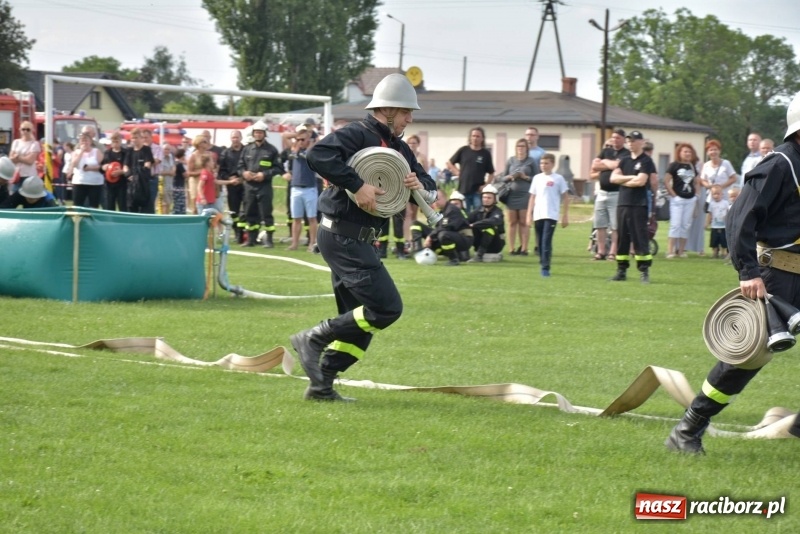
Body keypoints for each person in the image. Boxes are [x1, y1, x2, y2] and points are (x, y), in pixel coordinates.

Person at [665, 91, 800, 454]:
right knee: (747, 357)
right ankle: (688, 429)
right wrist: (748, 272)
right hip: (776, 277)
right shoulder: (778, 165)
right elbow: (740, 217)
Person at [289, 73, 435, 401]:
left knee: (361, 325)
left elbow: (427, 181)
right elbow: (318, 156)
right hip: (342, 235)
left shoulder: (399, 149)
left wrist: (421, 188)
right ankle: (312, 338)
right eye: (406, 112)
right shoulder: (356, 134)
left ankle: (321, 384)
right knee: (386, 308)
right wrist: (358, 185)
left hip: (360, 239)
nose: (410, 119)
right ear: (387, 110)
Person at [609, 131, 656, 284]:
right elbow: (613, 178)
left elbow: (641, 181)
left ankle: (644, 271)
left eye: (634, 140)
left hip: (638, 204)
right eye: (629, 140)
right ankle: (621, 270)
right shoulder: (624, 160)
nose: (631, 143)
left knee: (639, 237)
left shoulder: (646, 161)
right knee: (622, 237)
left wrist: (624, 180)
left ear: (641, 142)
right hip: (623, 203)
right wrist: (630, 178)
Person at [238, 120, 283, 248]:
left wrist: (264, 174)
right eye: (256, 132)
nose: (258, 135)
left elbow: (278, 168)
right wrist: (244, 173)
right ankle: (251, 239)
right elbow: (240, 166)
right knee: (249, 212)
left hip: (264, 186)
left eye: (260, 132)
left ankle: (269, 240)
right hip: (249, 186)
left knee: (266, 213)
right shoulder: (247, 149)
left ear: (265, 134)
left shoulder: (272, 150)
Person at [590, 128, 629, 261]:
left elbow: (620, 166)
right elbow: (595, 165)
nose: (614, 140)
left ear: (624, 139)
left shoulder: (626, 153)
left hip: (616, 193)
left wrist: (605, 163)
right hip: (601, 193)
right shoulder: (606, 151)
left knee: (615, 225)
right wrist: (609, 164)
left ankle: (613, 251)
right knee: (600, 224)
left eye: (617, 138)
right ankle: (601, 251)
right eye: (613, 138)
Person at [527, 153, 569, 277]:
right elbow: (532, 197)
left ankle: (545, 267)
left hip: (551, 214)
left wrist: (565, 215)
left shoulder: (558, 178)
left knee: (546, 240)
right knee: (539, 241)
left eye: (546, 163)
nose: (543, 166)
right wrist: (529, 214)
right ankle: (543, 259)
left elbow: (565, 197)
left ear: (552, 164)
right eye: (541, 163)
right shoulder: (537, 178)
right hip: (538, 214)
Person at [282, 128, 318, 252]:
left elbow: (316, 142)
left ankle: (312, 243)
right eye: (298, 139)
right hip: (295, 188)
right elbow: (284, 136)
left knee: (312, 218)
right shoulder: (294, 149)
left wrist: (311, 138)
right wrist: (296, 134)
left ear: (308, 139)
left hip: (309, 188)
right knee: (296, 218)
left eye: (302, 139)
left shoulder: (312, 150)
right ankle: (294, 244)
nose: (299, 141)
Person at [414, 189, 472, 265]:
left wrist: (430, 237)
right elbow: (438, 228)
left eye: (437, 199)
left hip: (464, 239)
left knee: (443, 235)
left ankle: (454, 259)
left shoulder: (452, 210)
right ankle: (418, 250)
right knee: (416, 224)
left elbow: (446, 227)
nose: (435, 202)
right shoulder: (443, 211)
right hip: (451, 235)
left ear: (445, 198)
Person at [499, 138, 536, 256]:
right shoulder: (510, 160)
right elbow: (502, 178)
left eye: (523, 146)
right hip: (511, 194)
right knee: (512, 222)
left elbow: (537, 178)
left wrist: (525, 177)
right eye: (518, 146)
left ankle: (524, 248)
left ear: (527, 148)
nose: (520, 148)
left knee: (524, 222)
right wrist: (510, 177)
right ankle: (511, 248)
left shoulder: (531, 161)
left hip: (525, 194)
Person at [664, 143, 701, 258]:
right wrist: (674, 195)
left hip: (690, 199)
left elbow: (697, 181)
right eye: (685, 151)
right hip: (677, 200)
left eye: (689, 152)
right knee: (675, 225)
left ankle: (681, 251)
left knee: (685, 225)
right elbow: (666, 181)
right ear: (679, 153)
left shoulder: (692, 166)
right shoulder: (674, 165)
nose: (688, 154)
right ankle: (670, 251)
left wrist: (697, 195)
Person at [447, 127, 495, 213]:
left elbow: (491, 173)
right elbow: (449, 163)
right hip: (463, 190)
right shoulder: (463, 150)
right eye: (473, 136)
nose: (475, 138)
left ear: (482, 138)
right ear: (470, 137)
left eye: (478, 136)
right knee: (465, 214)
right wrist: (457, 172)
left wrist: (485, 186)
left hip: (477, 191)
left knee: (478, 214)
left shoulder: (485, 153)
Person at [467, 184, 506, 262]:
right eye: (484, 197)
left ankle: (479, 255)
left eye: (489, 198)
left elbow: (492, 221)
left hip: (495, 245)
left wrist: (474, 224)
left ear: (495, 199)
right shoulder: (478, 210)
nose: (486, 199)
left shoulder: (498, 212)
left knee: (489, 227)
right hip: (479, 242)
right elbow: (467, 220)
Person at [218, 131, 244, 240]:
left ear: (241, 138)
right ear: (230, 138)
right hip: (231, 185)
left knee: (246, 210)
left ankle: (246, 233)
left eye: (237, 137)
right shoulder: (225, 153)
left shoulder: (247, 151)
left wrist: (242, 178)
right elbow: (221, 171)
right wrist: (229, 178)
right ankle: (237, 232)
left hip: (245, 184)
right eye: (233, 137)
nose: (235, 139)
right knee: (234, 210)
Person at [67, 132, 104, 208]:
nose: (84, 142)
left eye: (86, 140)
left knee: (93, 206)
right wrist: (81, 152)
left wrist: (90, 168)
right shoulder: (76, 152)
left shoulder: (96, 151)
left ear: (90, 141)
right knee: (77, 205)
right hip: (79, 182)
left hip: (95, 183)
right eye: (82, 140)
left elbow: (102, 166)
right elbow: (74, 164)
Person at [122, 128, 154, 214]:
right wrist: (128, 175)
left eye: (136, 137)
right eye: (133, 138)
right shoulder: (129, 151)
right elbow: (125, 166)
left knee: (146, 208)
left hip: (143, 183)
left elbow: (147, 164)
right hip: (131, 184)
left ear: (141, 138)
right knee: (131, 207)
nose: (134, 140)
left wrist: (138, 174)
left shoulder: (146, 149)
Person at [700, 139, 738, 204]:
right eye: (711, 150)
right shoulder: (706, 165)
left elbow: (734, 178)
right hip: (712, 198)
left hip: (725, 197)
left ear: (719, 151)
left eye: (715, 149)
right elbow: (702, 180)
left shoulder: (726, 163)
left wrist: (721, 187)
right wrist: (709, 186)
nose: (713, 152)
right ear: (707, 152)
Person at [8, 121, 41, 194]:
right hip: (16, 175)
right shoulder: (16, 142)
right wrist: (23, 158)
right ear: (20, 130)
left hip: (29, 176)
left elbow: (30, 161)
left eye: (28, 129)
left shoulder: (35, 144)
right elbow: (11, 158)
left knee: (28, 197)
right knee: (13, 197)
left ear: (32, 130)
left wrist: (18, 157)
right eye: (23, 129)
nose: (25, 131)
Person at [100, 132, 127, 211]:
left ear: (120, 141)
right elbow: (101, 167)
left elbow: (129, 167)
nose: (115, 143)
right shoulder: (107, 153)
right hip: (109, 185)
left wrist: (121, 171)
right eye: (113, 141)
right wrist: (103, 167)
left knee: (123, 206)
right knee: (109, 206)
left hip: (122, 184)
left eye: (117, 141)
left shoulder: (125, 153)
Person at [705, 184, 730, 259]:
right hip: (714, 226)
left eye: (718, 194)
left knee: (723, 240)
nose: (716, 196)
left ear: (722, 194)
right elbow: (710, 214)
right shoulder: (712, 204)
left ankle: (724, 252)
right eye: (714, 194)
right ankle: (714, 252)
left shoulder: (725, 203)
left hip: (723, 226)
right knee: (714, 240)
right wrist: (707, 223)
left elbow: (728, 212)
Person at [141, 129, 162, 214]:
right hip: (141, 179)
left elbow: (156, 161)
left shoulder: (157, 148)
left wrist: (145, 162)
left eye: (146, 137)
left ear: (151, 137)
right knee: (141, 201)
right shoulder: (139, 149)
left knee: (150, 202)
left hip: (152, 178)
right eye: (143, 137)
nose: (145, 139)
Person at [159, 144, 176, 215]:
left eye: (168, 149)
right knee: (163, 202)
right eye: (165, 149)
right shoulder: (160, 158)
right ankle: (163, 216)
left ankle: (167, 215)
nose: (167, 151)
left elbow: (173, 168)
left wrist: (172, 171)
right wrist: (169, 172)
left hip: (170, 182)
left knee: (169, 201)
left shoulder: (171, 157)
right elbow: (159, 171)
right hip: (162, 182)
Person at [172, 148, 187, 215]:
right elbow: (185, 175)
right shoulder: (179, 164)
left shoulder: (175, 163)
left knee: (176, 202)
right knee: (180, 202)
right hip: (179, 185)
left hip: (175, 184)